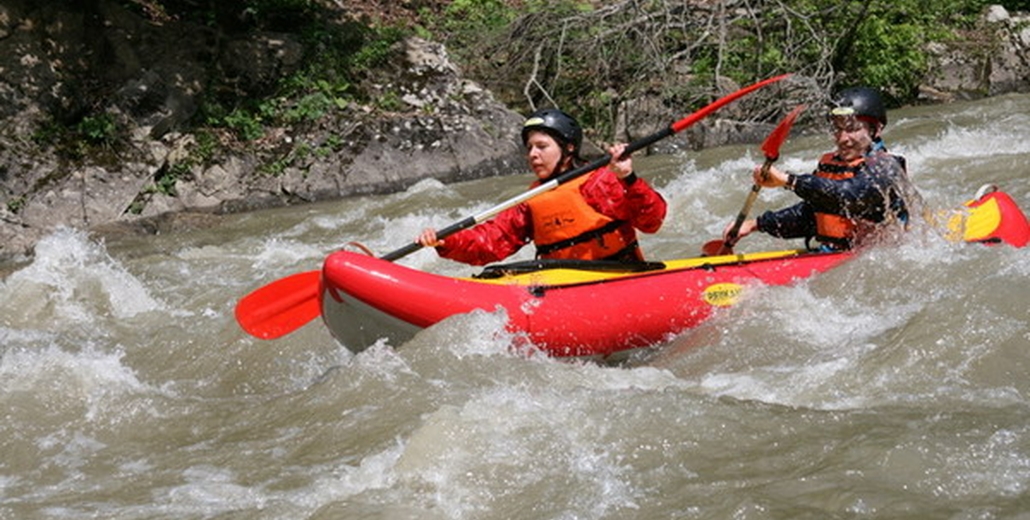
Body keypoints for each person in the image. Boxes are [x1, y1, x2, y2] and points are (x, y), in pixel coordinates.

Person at [417, 108, 667, 265]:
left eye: (542, 146)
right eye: (529, 148)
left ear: (569, 148)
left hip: (617, 275)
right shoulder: (532, 199)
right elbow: (492, 242)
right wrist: (446, 241)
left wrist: (628, 177)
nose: (533, 155)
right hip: (563, 285)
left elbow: (652, 222)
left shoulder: (599, 181)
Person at [722, 86, 922, 251]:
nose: (843, 138)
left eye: (852, 129)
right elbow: (812, 213)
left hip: (882, 256)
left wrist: (789, 181)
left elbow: (848, 195)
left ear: (876, 129)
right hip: (834, 254)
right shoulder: (831, 163)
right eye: (837, 129)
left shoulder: (886, 168)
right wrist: (756, 225)